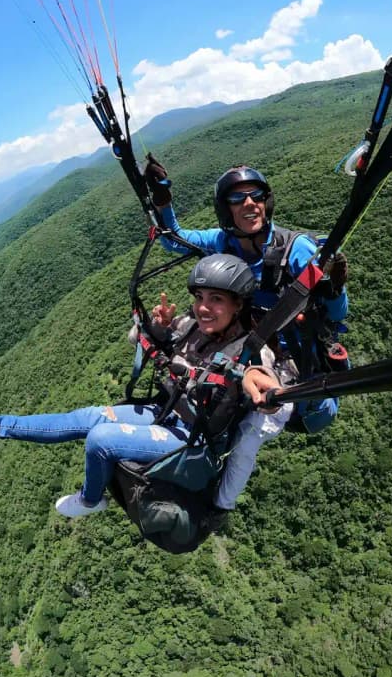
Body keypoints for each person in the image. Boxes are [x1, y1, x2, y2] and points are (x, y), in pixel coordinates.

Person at [0, 255, 283, 521]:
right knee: (87, 417)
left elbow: (266, 394)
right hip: (166, 412)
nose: (204, 307)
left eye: (217, 299)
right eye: (200, 296)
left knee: (100, 439)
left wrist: (260, 390)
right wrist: (158, 330)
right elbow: (136, 340)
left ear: (239, 304)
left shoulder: (254, 352)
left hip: (191, 438)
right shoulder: (191, 326)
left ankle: (90, 499)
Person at [144, 158, 349, 511]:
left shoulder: (294, 249)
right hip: (244, 348)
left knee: (259, 424)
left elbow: (337, 317)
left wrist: (333, 289)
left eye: (256, 196)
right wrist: (162, 201)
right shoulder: (224, 242)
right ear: (227, 210)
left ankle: (219, 502)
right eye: (238, 199)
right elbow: (174, 239)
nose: (249, 204)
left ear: (266, 203)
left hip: (289, 359)